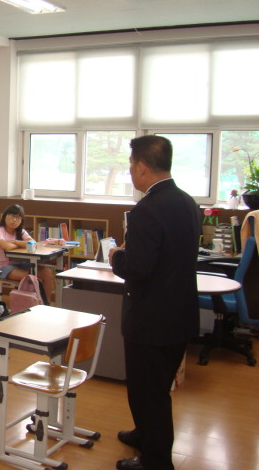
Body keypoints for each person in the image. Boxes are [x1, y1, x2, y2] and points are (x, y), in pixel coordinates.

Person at [109, 135, 201, 470]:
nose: (130, 171)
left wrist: (116, 256)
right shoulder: (188, 202)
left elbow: (138, 268)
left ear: (143, 168)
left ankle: (156, 460)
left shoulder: (146, 210)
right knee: (156, 386)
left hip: (150, 319)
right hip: (180, 313)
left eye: (131, 164)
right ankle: (144, 434)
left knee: (148, 391)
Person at [0, 203, 54, 301]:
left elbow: (33, 243)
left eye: (18, 218)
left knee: (47, 273)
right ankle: (30, 303)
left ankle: (45, 304)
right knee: (31, 277)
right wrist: (22, 244)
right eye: (12, 216)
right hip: (3, 266)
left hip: (21, 263)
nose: (14, 220)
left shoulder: (21, 231)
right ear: (5, 216)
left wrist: (15, 242)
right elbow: (6, 247)